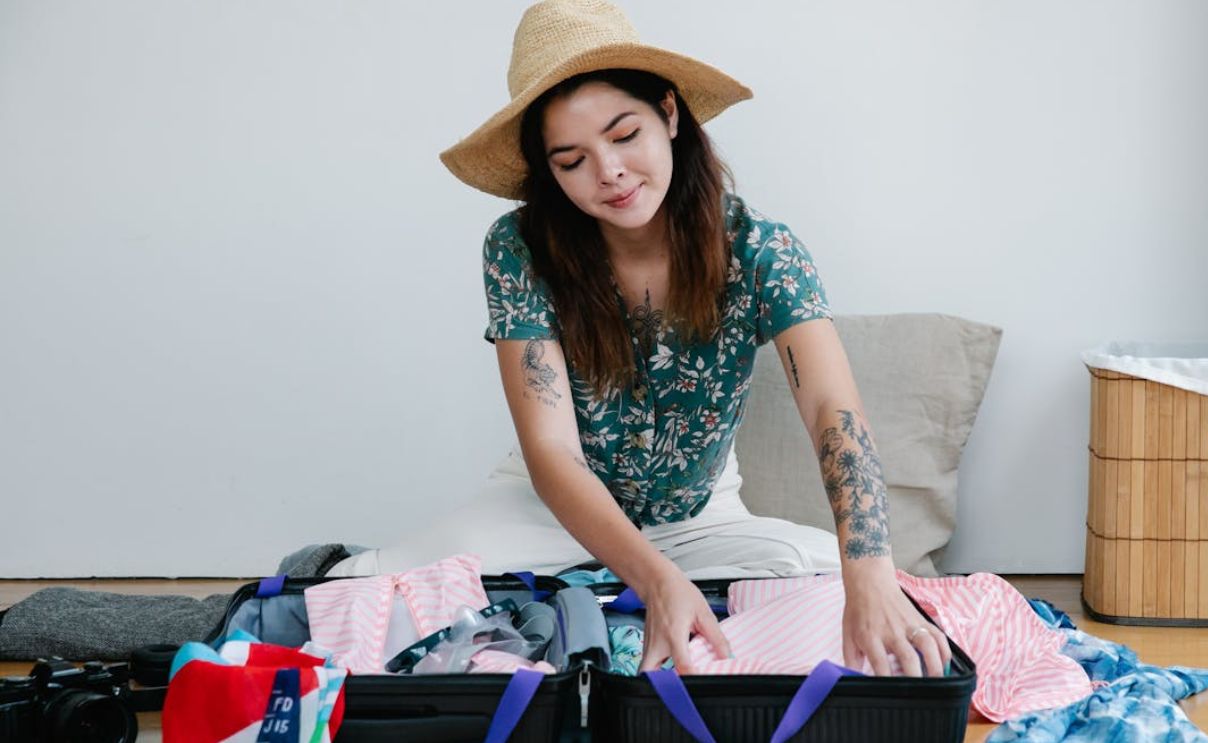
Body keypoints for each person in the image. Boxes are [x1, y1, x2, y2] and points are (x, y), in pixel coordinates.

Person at [329, 0, 951, 679]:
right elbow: (551, 450)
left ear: (669, 113)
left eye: (624, 134)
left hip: (702, 514)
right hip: (550, 506)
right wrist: (655, 580)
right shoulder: (516, 248)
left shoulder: (763, 249)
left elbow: (832, 407)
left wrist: (867, 574)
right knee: (360, 596)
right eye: (571, 160)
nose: (609, 172)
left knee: (859, 584)